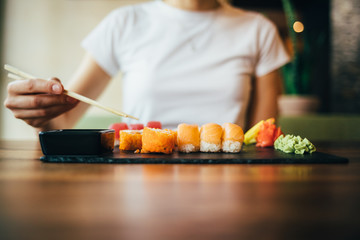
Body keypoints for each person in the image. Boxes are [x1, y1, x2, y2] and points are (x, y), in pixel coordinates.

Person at [4, 0, 290, 133]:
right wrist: (40, 112)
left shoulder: (258, 29)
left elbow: (261, 136)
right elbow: (62, 121)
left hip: (229, 181)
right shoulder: (124, 23)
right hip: (138, 178)